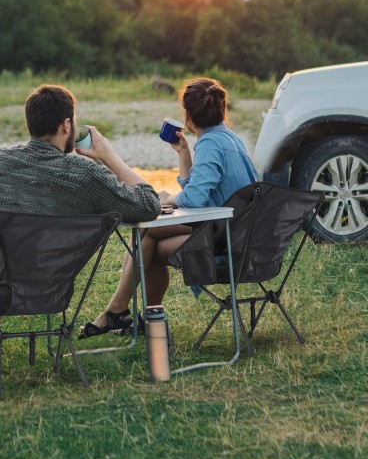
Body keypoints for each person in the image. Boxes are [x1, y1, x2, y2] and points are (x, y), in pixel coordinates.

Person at [0, 84, 161, 349]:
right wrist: (109, 157)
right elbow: (149, 205)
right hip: (52, 288)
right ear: (66, 125)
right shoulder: (84, 173)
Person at [79, 77, 259, 339]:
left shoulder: (210, 144)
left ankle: (119, 312)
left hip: (225, 241)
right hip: (238, 233)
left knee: (147, 237)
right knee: (148, 239)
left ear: (187, 116)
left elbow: (195, 199)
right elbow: (201, 191)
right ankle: (139, 317)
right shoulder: (230, 139)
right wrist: (183, 155)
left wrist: (169, 198)